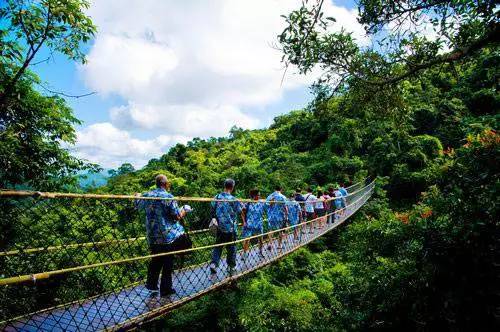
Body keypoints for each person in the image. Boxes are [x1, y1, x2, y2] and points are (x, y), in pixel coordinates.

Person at [135, 174, 192, 297]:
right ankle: (166, 289)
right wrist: (185, 210)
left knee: (155, 260)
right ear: (166, 184)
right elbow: (177, 216)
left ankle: (152, 286)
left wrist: (137, 195)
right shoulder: (168, 196)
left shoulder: (147, 195)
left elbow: (137, 205)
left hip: (152, 235)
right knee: (167, 261)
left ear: (156, 184)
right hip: (166, 236)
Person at [210, 179, 244, 275]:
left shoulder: (216, 197)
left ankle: (214, 264)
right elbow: (239, 210)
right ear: (232, 187)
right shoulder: (234, 199)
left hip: (219, 227)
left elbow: (212, 208)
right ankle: (231, 267)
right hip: (231, 228)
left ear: (224, 186)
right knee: (231, 248)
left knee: (218, 246)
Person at [242, 188, 265, 256]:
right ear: (254, 196)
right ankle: (245, 254)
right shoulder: (248, 203)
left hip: (259, 223)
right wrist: (244, 222)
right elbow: (242, 213)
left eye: (259, 195)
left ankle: (260, 252)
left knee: (261, 239)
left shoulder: (261, 202)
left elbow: (269, 205)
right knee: (247, 239)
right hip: (250, 223)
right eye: (258, 195)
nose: (259, 196)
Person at [265, 185, 288, 250]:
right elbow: (285, 207)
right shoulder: (283, 197)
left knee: (270, 230)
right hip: (280, 216)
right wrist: (286, 216)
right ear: (281, 189)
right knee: (280, 230)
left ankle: (270, 244)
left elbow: (267, 205)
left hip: (271, 216)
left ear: (275, 189)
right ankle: (279, 245)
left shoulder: (270, 196)